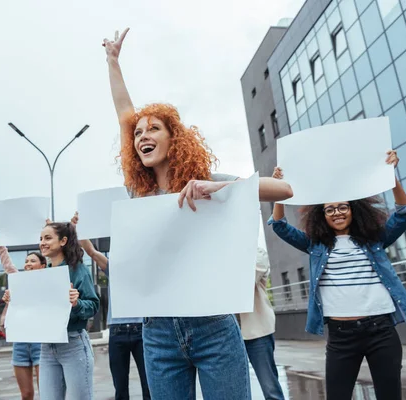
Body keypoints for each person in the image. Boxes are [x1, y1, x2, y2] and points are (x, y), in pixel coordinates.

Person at [102, 28, 293, 399]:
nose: (142, 134)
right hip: (156, 334)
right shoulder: (137, 192)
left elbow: (283, 190)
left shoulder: (205, 182)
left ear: (174, 139)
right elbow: (126, 116)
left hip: (214, 328)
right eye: (139, 132)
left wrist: (221, 189)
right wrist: (112, 62)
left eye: (153, 128)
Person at [268, 150, 406, 400]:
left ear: (354, 210)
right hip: (341, 336)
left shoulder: (374, 240)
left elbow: (405, 212)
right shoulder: (315, 245)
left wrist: (390, 176)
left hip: (381, 331)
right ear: (322, 216)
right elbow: (279, 226)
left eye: (343, 207)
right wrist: (278, 190)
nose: (337, 213)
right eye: (330, 210)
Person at [4, 221, 100, 400]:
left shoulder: (78, 270)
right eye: (41, 238)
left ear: (63, 241)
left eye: (48, 238)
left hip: (74, 345)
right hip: (47, 348)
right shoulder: (42, 273)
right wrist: (14, 299)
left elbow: (93, 305)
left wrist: (77, 303)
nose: (42, 242)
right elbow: (33, 307)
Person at [71, 212, 151, 400]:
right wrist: (78, 229)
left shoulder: (147, 270)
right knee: (120, 388)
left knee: (150, 386)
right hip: (117, 331)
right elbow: (91, 251)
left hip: (143, 329)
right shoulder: (114, 268)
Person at [0, 227, 46, 400]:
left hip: (41, 342)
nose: (28, 264)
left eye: (32, 261)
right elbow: (8, 265)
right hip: (21, 343)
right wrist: (0, 243)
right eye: (26, 261)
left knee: (46, 392)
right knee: (26, 395)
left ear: (43, 265)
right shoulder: (18, 281)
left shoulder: (50, 282)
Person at [239, 248, 285, 400]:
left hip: (256, 332)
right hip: (226, 334)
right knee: (234, 390)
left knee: (270, 387)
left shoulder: (257, 253)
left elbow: (244, 284)